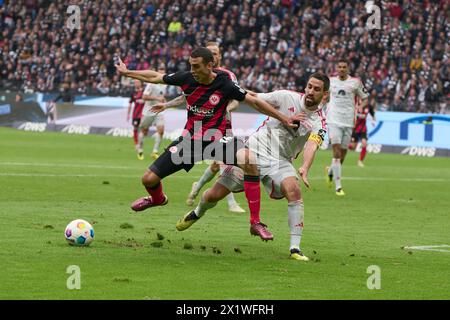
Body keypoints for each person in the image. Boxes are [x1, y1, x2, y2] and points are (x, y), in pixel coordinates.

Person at [115, 47, 298, 241]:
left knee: (248, 160)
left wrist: (283, 118)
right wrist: (127, 72)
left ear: (210, 65)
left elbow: (253, 101)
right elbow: (156, 77)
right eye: (191, 65)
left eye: (196, 66)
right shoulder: (186, 78)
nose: (192, 70)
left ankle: (255, 222)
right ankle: (158, 199)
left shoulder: (225, 83)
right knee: (148, 179)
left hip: (218, 139)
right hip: (190, 142)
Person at [175, 72, 329, 260]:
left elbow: (312, 144)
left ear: (325, 94)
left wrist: (305, 167)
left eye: (317, 89)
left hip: (280, 162)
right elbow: (255, 97)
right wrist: (231, 90)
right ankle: (197, 212)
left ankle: (295, 248)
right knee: (214, 195)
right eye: (309, 87)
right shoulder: (286, 96)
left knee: (294, 190)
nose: (311, 92)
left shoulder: (319, 122)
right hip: (253, 151)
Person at [153, 41, 246, 213]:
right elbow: (185, 97)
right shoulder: (195, 76)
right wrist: (166, 105)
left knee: (221, 164)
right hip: (199, 129)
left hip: (223, 126)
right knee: (220, 164)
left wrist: (225, 108)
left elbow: (236, 100)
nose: (214, 55)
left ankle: (199, 188)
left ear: (219, 56)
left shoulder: (227, 76)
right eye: (211, 52)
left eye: (216, 52)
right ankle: (226, 201)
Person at [325, 59, 369, 196]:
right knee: (336, 152)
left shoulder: (355, 82)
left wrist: (360, 107)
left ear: (348, 68)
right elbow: (324, 96)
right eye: (340, 67)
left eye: (344, 67)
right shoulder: (330, 81)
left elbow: (365, 98)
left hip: (349, 121)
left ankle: (331, 171)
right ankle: (338, 187)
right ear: (336, 68)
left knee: (343, 155)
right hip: (333, 121)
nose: (342, 69)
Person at [137, 66, 168, 160]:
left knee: (161, 130)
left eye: (163, 71)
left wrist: (164, 101)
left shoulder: (165, 84)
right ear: (157, 72)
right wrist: (157, 99)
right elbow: (144, 97)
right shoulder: (151, 84)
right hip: (149, 110)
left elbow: (162, 95)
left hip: (159, 110)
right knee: (144, 131)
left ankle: (155, 151)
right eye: (160, 70)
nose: (162, 72)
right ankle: (140, 150)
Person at [348, 102, 376, 167]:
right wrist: (359, 115)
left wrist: (373, 121)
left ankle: (360, 161)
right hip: (355, 128)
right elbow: (351, 113)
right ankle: (343, 145)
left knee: (364, 143)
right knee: (352, 147)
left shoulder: (369, 106)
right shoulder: (355, 104)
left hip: (363, 129)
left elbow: (373, 114)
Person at [127, 80, 145, 159]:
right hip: (135, 115)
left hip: (144, 115)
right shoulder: (132, 93)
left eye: (137, 82)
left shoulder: (145, 92)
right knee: (135, 129)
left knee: (142, 130)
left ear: (141, 83)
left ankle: (139, 146)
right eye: (135, 83)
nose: (136, 84)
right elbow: (130, 104)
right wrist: (128, 114)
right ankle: (137, 144)